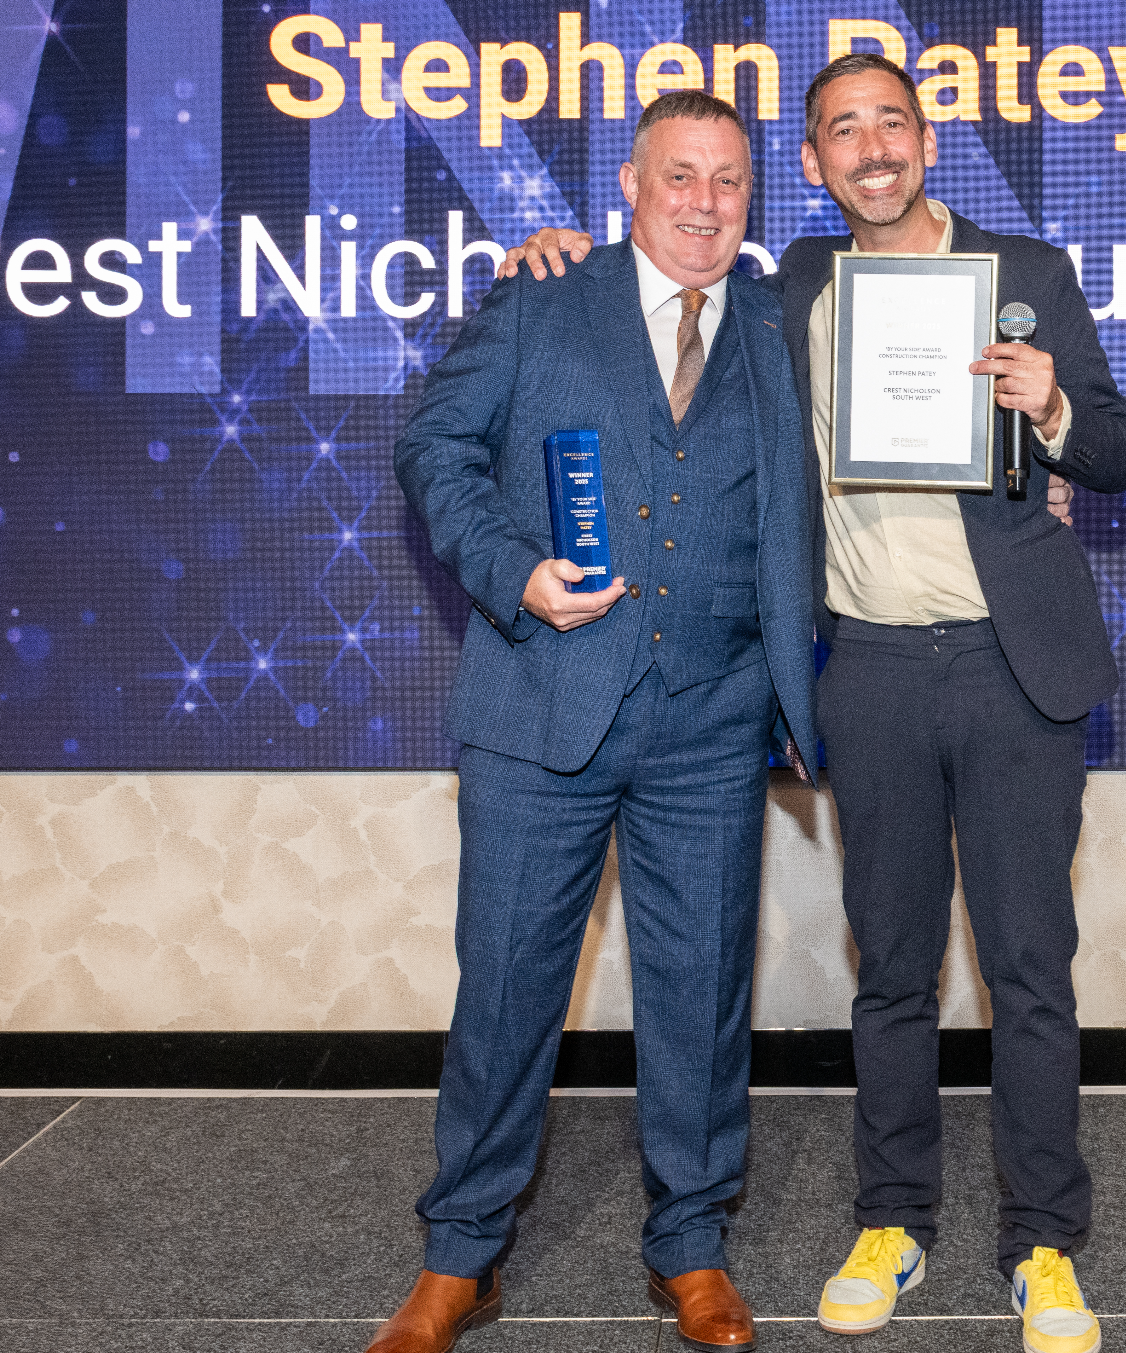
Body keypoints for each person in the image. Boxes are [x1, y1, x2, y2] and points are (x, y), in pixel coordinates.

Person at [504, 54, 1126, 1353]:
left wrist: (1056, 406)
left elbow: (1117, 450)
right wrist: (557, 248)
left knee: (1029, 973)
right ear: (814, 164)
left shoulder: (1030, 277)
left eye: (889, 124)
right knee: (893, 973)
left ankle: (1045, 1244)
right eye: (841, 131)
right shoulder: (787, 286)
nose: (869, 148)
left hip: (1015, 672)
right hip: (874, 677)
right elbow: (661, 264)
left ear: (926, 140)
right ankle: (893, 1217)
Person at [382, 88, 818, 1353]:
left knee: (698, 995)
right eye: (677, 175)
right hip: (539, 709)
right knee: (507, 990)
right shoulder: (539, 297)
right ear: (628, 187)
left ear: (753, 196)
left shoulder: (784, 325)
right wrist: (513, 571)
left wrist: (1028, 476)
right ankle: (460, 1255)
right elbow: (432, 449)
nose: (703, 201)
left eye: (728, 180)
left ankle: (690, 1246)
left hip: (714, 719)